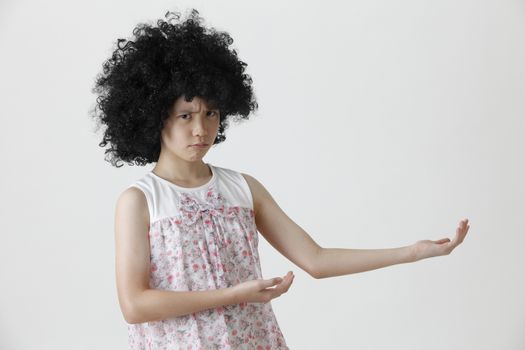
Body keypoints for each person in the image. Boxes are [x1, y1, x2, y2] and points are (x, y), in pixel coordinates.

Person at [90, 9, 470, 350]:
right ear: (155, 116)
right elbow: (135, 305)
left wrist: (413, 252)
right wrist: (232, 294)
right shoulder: (140, 201)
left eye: (211, 114)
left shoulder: (242, 189)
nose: (201, 129)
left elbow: (316, 260)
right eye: (186, 116)